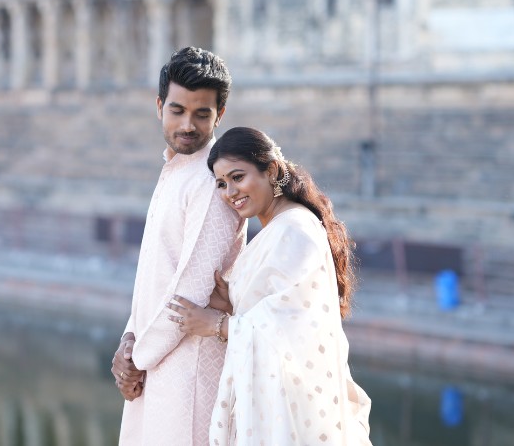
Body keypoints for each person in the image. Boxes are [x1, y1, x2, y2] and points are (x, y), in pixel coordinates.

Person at [167, 127, 372, 445]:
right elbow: (277, 309)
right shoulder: (277, 229)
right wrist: (233, 304)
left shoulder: (295, 230)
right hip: (275, 397)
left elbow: (295, 329)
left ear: (271, 170)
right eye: (222, 183)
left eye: (238, 177)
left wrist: (218, 325)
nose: (230, 192)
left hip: (295, 408)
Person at [111, 47, 246, 445]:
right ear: (159, 107)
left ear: (219, 115)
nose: (188, 124)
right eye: (177, 110)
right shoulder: (175, 169)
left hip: (190, 371)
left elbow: (190, 289)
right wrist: (127, 341)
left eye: (201, 114)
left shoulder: (211, 180)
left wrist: (134, 361)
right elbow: (152, 278)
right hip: (154, 362)